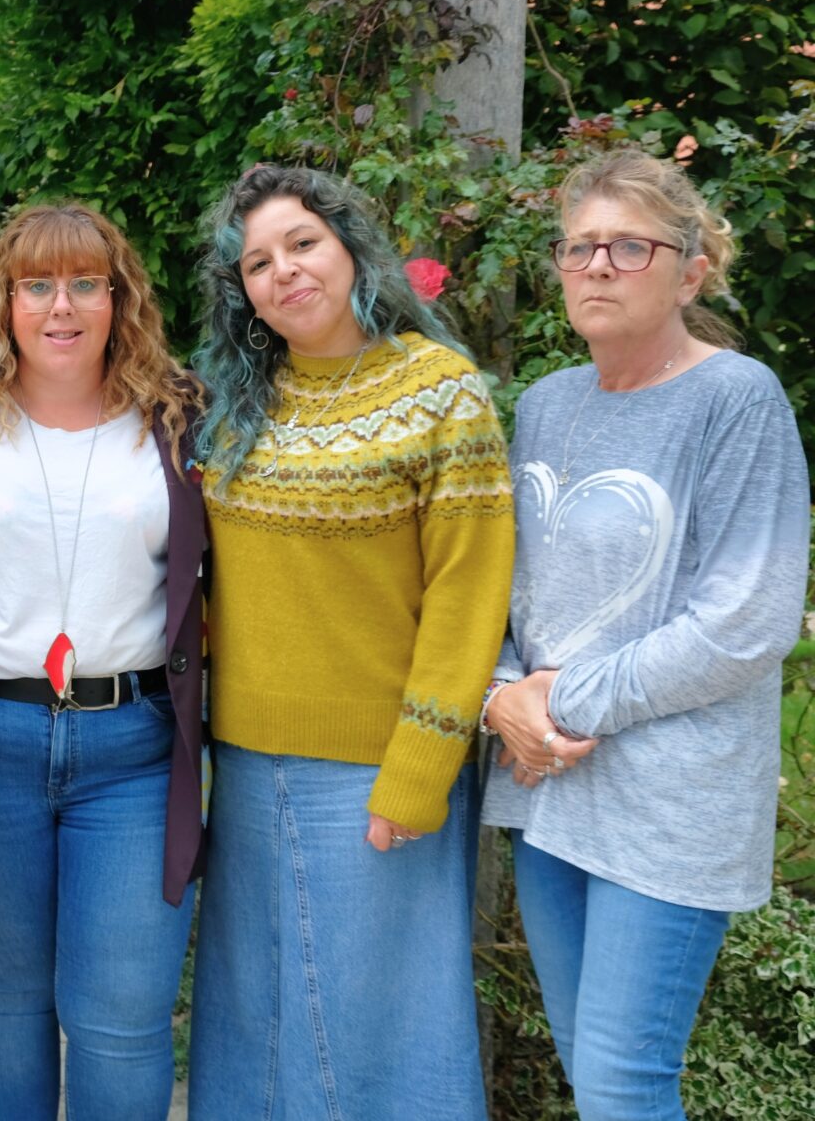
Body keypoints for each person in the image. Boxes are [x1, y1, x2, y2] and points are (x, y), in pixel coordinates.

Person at [480, 149, 809, 1120]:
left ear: (692, 267)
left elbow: (747, 621)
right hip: (547, 793)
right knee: (594, 1074)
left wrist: (558, 700)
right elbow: (498, 591)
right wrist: (502, 696)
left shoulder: (735, 400)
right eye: (580, 247)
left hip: (669, 806)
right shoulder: (543, 405)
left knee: (625, 1083)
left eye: (630, 246)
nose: (598, 267)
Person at [187, 165, 514, 1120]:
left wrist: (421, 766)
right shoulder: (239, 401)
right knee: (255, 1030)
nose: (282, 272)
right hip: (245, 764)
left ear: (350, 248)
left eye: (302, 244)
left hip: (375, 766)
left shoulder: (439, 391)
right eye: (256, 263)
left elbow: (469, 593)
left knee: (378, 1040)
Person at [0, 202, 207, 1120]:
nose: (59, 307)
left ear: (119, 299)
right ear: (4, 299)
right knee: (5, 1002)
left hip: (135, 755)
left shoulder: (179, 419)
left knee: (123, 1019)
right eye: (36, 286)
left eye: (83, 285)